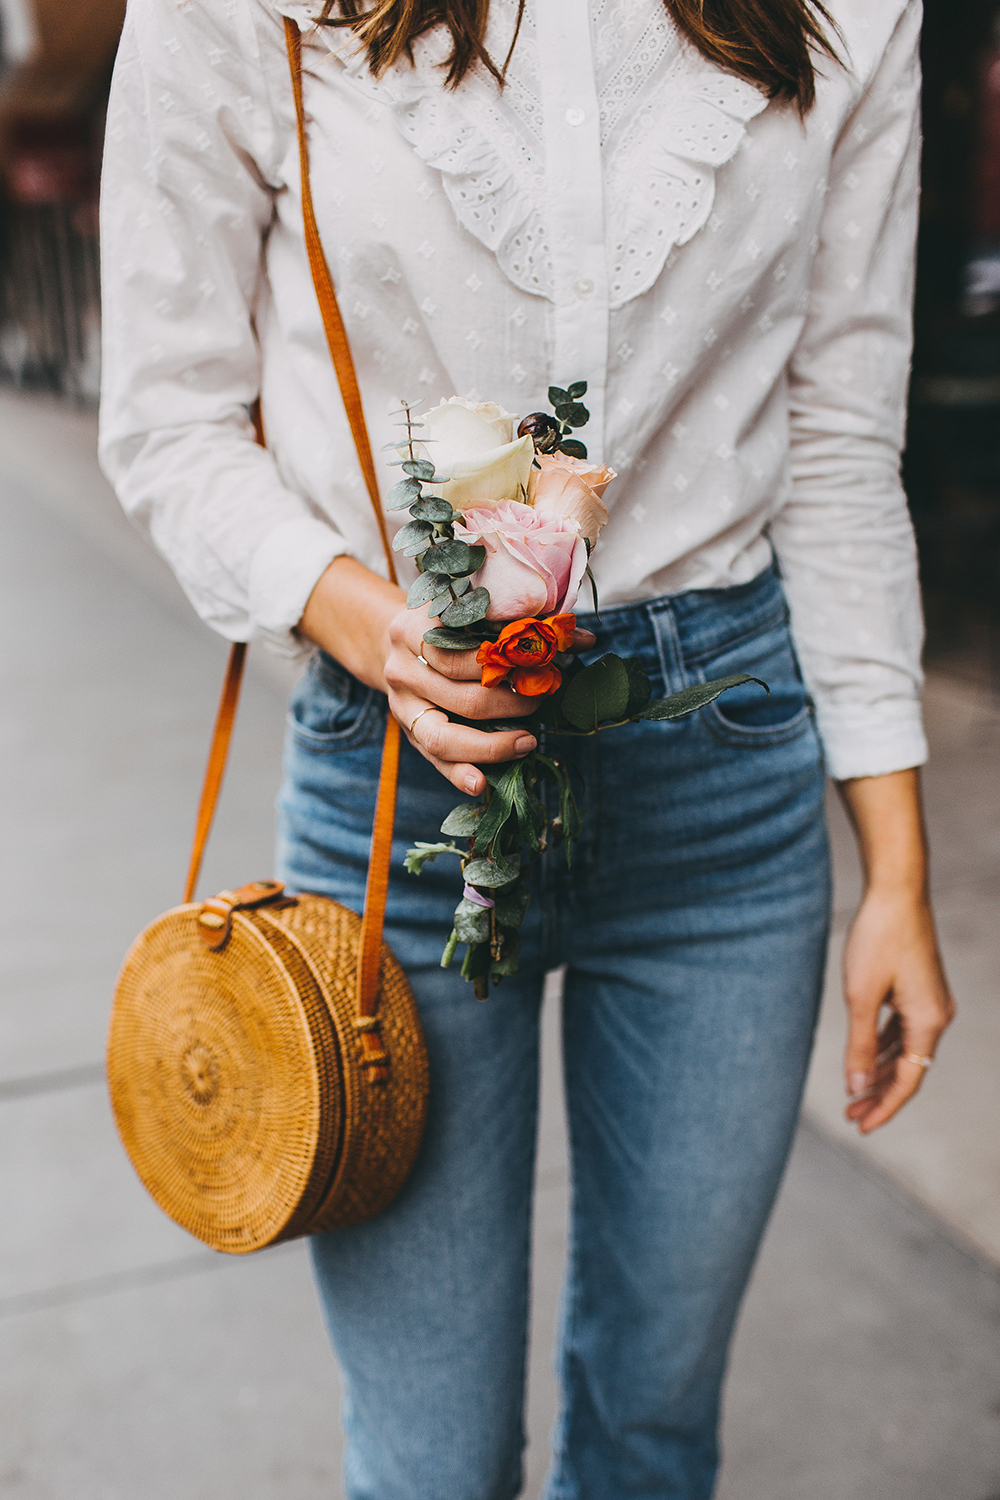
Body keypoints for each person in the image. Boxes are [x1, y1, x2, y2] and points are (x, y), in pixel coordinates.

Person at [99, 0, 955, 1493]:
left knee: (652, 1434)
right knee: (430, 1468)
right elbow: (169, 415)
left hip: (723, 781)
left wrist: (896, 866)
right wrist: (372, 623)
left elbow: (835, 436)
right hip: (397, 789)